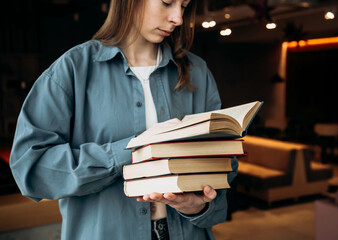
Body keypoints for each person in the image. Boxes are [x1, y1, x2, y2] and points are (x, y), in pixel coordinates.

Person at [10, 0, 238, 239]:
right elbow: (31, 168)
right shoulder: (73, 69)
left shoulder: (197, 72)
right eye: (167, 2)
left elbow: (224, 171)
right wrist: (134, 150)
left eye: (183, 6)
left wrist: (198, 207)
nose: (178, 18)